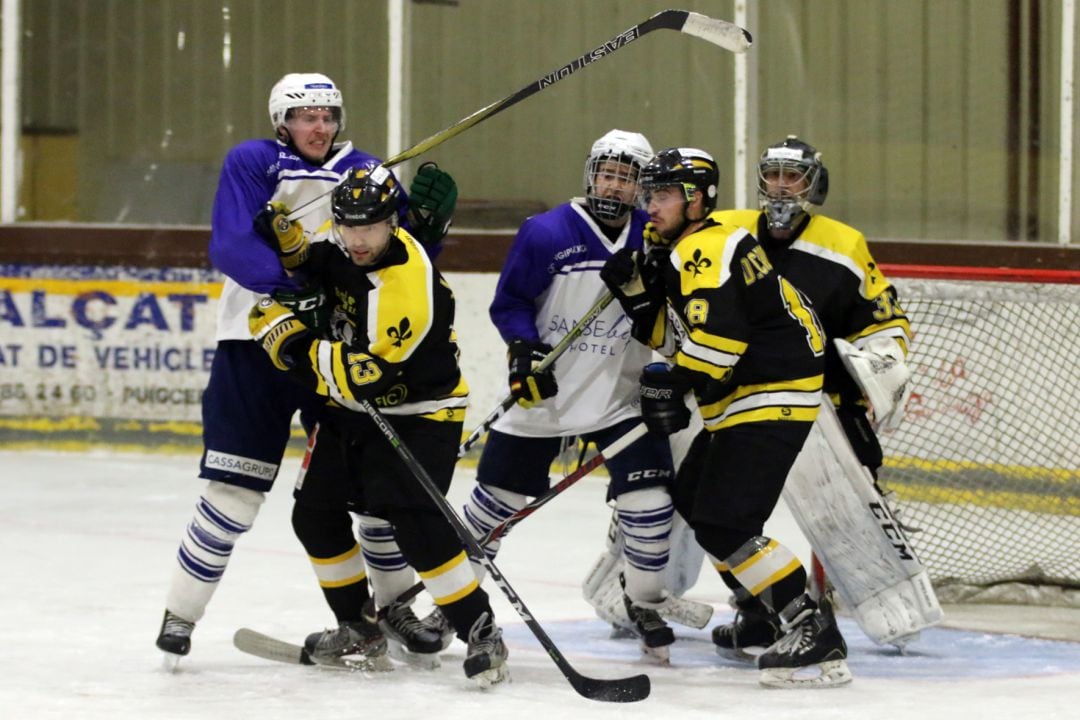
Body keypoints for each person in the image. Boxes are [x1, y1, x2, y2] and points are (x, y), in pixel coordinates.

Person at [155, 72, 457, 665]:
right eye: (305, 116)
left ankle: (391, 609)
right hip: (255, 341)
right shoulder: (252, 161)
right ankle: (180, 612)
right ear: (281, 121)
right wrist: (292, 289)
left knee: (372, 492)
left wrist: (429, 231)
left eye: (327, 115)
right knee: (233, 491)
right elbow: (232, 243)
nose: (318, 126)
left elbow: (396, 260)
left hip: (337, 355)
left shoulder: (368, 169)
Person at [247, 165, 508, 687]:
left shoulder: (405, 290)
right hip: (356, 409)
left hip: (421, 412)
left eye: (369, 228)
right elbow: (319, 260)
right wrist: (291, 241)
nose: (357, 239)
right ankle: (358, 630)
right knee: (314, 516)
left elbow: (355, 378)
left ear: (392, 223)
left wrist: (288, 340)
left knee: (415, 522)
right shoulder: (348, 239)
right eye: (347, 226)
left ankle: (481, 631)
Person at [600, 147, 851, 687]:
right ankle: (760, 615)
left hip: (771, 390)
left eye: (663, 195)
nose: (651, 206)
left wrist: (674, 384)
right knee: (695, 499)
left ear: (696, 200)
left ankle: (815, 632)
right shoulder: (685, 248)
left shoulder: (706, 246)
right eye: (649, 195)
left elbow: (720, 345)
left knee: (726, 520)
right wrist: (639, 301)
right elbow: (682, 339)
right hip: (750, 392)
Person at [458, 129, 688, 663]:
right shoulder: (545, 232)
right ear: (591, 173)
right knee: (493, 509)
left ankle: (644, 602)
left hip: (620, 394)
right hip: (547, 393)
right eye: (606, 172)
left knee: (651, 505)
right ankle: (456, 600)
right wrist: (523, 353)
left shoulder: (654, 237)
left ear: (642, 185)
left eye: (626, 176)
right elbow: (510, 302)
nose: (613, 183)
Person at [705, 135, 912, 656]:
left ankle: (873, 602)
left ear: (813, 184)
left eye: (792, 176)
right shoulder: (726, 230)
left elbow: (885, 324)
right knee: (715, 510)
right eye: (772, 174)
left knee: (846, 513)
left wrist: (873, 376)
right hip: (744, 403)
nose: (780, 186)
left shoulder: (843, 244)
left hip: (826, 406)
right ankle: (760, 611)